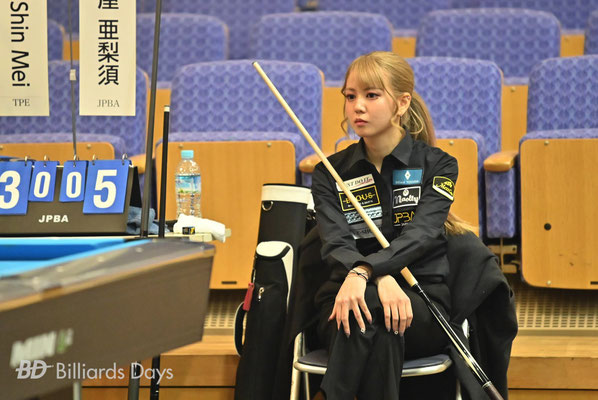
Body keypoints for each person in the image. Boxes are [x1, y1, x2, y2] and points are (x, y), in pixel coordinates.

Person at [311, 51, 472, 400]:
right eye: (350, 96)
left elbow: (421, 235)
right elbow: (336, 243)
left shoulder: (439, 165)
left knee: (373, 315)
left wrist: (368, 269)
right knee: (379, 322)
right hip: (347, 296)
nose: (357, 107)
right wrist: (376, 277)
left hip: (422, 301)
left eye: (371, 95)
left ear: (402, 103)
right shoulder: (329, 172)